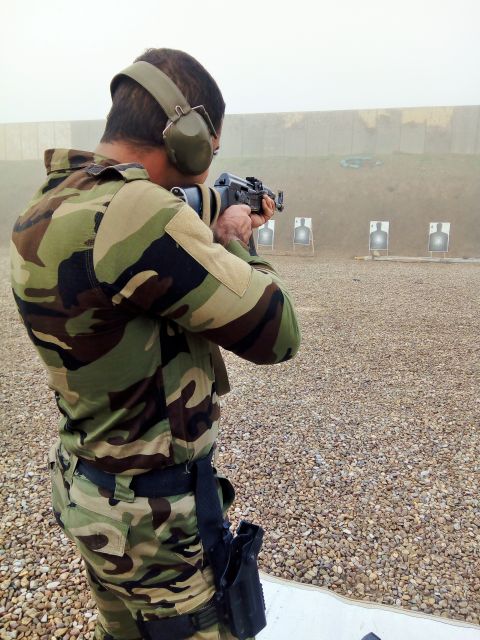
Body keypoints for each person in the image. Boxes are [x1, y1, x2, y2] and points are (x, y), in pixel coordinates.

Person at [10, 48, 300, 640]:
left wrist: (205, 223)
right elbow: (279, 333)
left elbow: (158, 234)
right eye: (208, 148)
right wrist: (235, 240)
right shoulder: (138, 211)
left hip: (90, 492)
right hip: (157, 527)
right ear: (188, 137)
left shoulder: (51, 201)